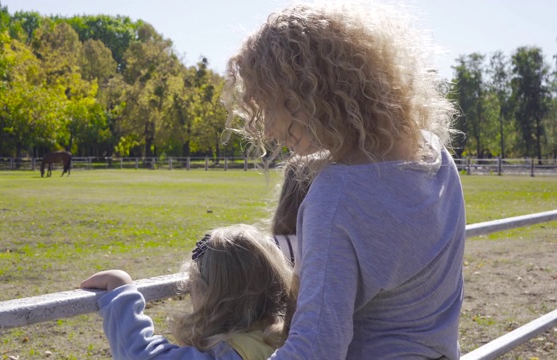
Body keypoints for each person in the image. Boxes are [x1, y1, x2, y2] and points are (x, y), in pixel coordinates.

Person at [223, 2, 466, 359]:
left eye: (277, 104)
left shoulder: (337, 196)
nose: (270, 128)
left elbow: (315, 349)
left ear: (316, 92)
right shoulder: (432, 153)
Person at [80, 224, 293, 360]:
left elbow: (140, 355)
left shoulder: (230, 354)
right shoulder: (289, 340)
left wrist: (120, 291)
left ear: (209, 294)